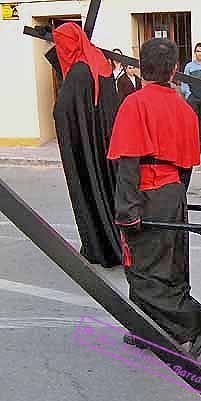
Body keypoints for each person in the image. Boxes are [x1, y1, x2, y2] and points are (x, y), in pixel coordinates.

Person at [108, 38, 201, 355]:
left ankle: (196, 321)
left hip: (147, 192)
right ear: (175, 69)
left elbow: (127, 162)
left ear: (143, 68)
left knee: (141, 271)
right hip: (174, 192)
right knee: (171, 266)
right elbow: (187, 166)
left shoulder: (135, 104)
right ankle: (147, 329)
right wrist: (177, 195)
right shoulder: (184, 107)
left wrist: (127, 210)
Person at [52, 22, 122, 268]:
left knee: (91, 191)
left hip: (87, 147)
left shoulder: (79, 71)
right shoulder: (101, 62)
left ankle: (99, 247)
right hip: (106, 143)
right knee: (109, 191)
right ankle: (117, 245)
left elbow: (62, 112)